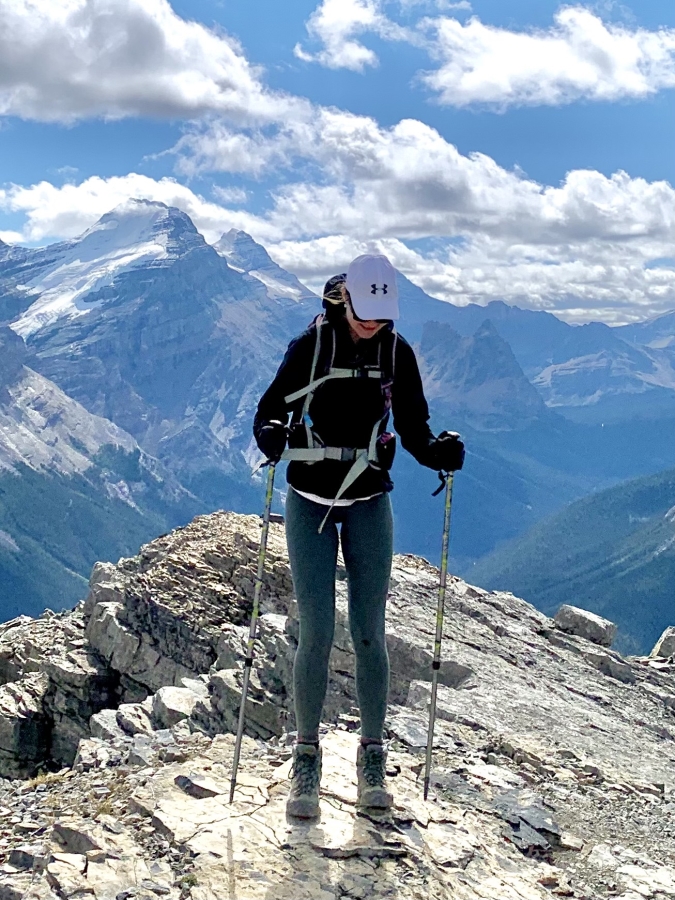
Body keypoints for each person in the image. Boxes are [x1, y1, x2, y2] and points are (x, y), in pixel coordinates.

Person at [253, 253, 464, 818]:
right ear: (344, 301)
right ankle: (306, 764)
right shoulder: (311, 346)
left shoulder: (397, 351)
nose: (373, 325)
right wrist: (269, 433)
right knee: (316, 630)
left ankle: (372, 759)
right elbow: (270, 408)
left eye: (381, 316)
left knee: (370, 630)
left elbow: (413, 425)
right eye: (365, 315)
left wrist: (436, 451)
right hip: (310, 501)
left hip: (370, 499)